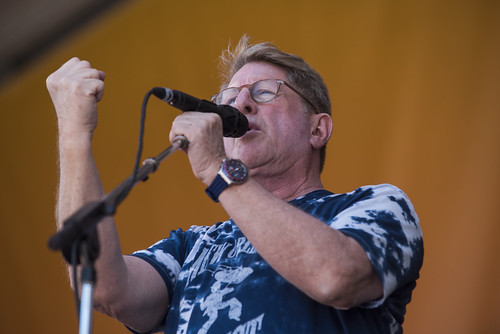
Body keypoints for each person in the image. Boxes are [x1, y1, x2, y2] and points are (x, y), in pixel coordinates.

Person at [47, 35, 423, 334]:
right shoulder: (193, 247)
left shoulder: (376, 206)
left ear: (317, 129)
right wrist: (74, 136)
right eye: (229, 97)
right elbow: (106, 288)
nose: (240, 104)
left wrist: (217, 170)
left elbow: (335, 277)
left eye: (264, 92)